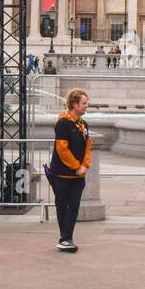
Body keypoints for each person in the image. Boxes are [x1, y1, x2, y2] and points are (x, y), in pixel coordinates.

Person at [47, 88, 91, 253]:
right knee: (62, 206)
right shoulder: (63, 123)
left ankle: (66, 238)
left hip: (78, 175)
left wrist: (85, 166)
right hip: (61, 174)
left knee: (74, 206)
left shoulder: (83, 124)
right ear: (74, 104)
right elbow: (62, 149)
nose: (87, 106)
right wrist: (76, 166)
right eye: (84, 103)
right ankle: (65, 238)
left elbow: (88, 146)